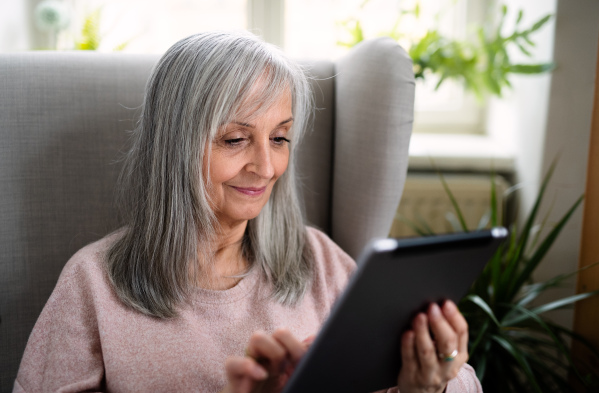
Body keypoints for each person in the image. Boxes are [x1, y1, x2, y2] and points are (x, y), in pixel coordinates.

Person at [14, 31, 481, 393]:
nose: (265, 165)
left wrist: (430, 382)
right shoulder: (94, 283)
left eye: (279, 138)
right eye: (235, 139)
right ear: (174, 147)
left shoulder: (315, 260)